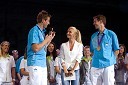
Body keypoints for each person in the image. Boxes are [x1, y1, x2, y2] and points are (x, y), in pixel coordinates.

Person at [27, 10, 55, 85]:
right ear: (43, 20)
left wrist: (49, 41)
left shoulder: (42, 32)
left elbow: (42, 48)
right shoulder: (34, 30)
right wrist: (46, 40)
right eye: (48, 21)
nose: (49, 23)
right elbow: (35, 48)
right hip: (35, 63)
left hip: (42, 64)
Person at [90, 14, 119, 85]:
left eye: (95, 21)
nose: (93, 23)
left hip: (108, 65)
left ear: (101, 21)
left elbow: (116, 51)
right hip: (96, 65)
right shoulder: (93, 36)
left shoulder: (111, 34)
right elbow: (93, 51)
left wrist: (111, 60)